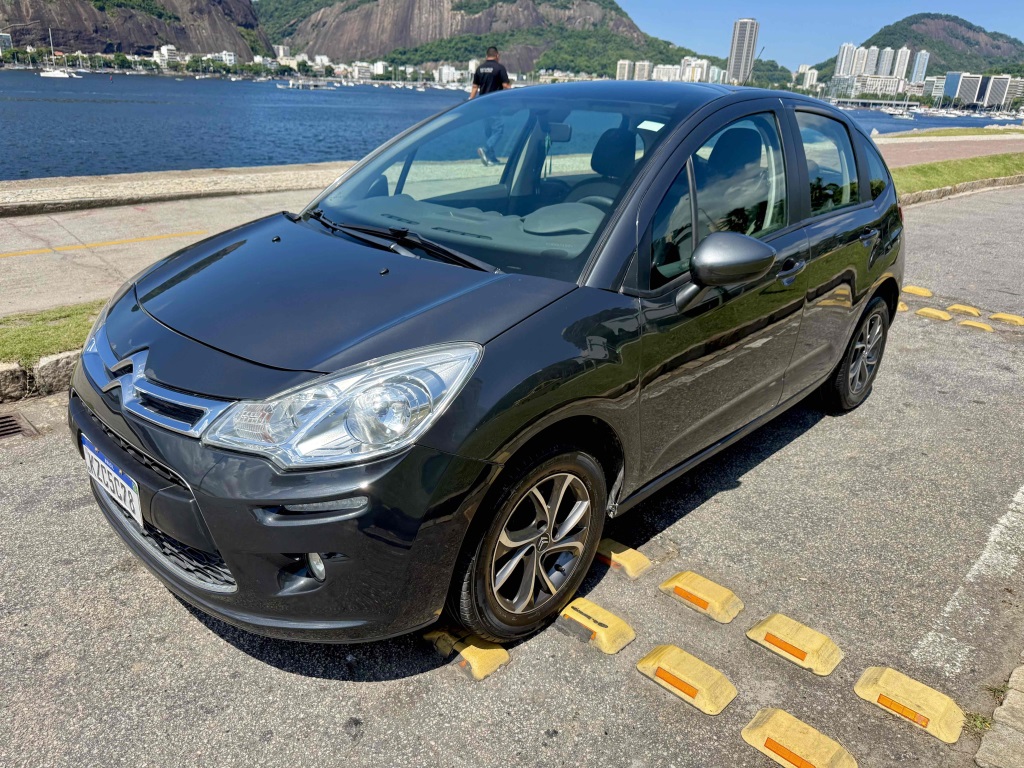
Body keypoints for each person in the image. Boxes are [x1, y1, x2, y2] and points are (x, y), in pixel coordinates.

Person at [469, 47, 511, 166]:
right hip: (495, 105)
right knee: (499, 130)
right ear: (497, 55)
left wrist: (470, 100)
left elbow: (475, 87)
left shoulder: (480, 68)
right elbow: (506, 86)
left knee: (489, 131)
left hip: (483, 104)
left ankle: (491, 157)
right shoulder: (500, 68)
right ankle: (486, 149)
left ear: (486, 55)